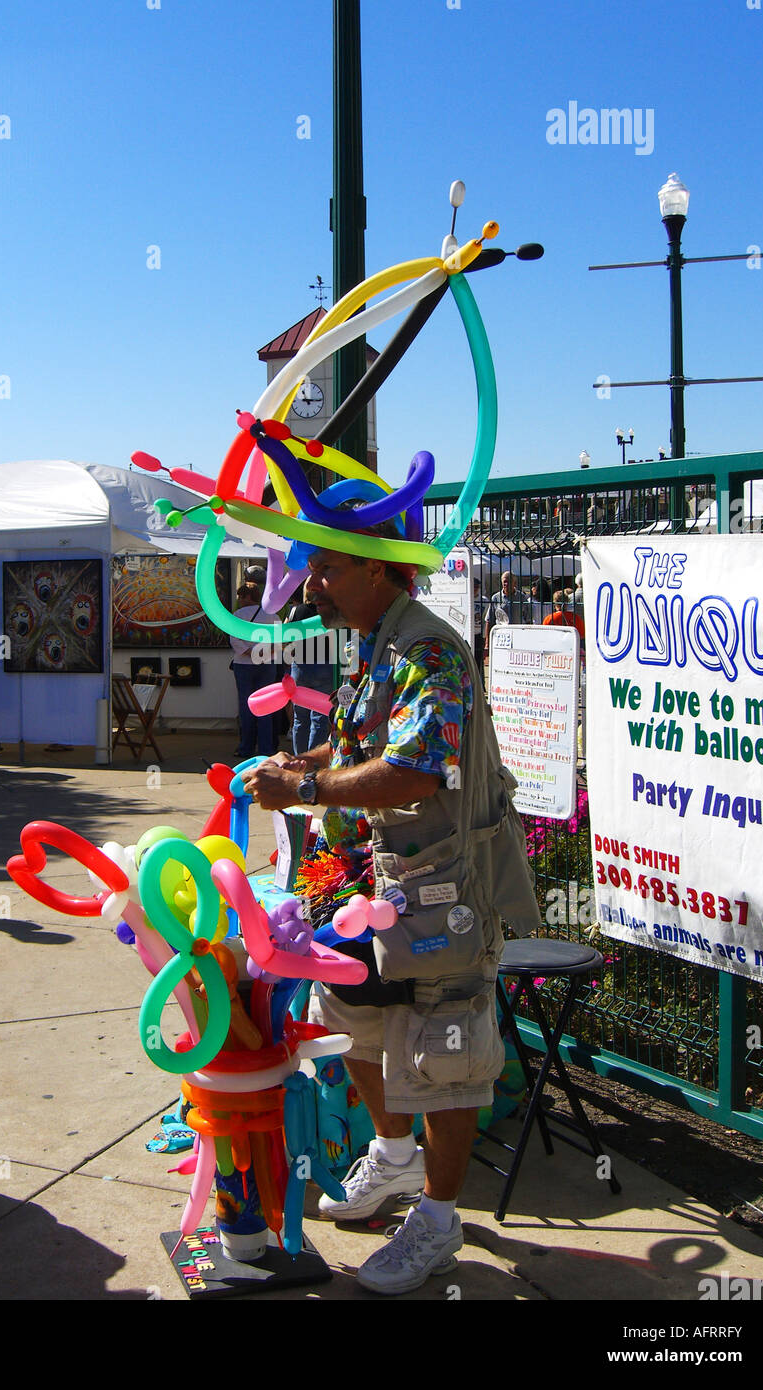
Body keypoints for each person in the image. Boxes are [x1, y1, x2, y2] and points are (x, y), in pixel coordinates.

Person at [243, 540, 539, 1295]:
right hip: (356, 892)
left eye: (329, 570)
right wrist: (302, 767)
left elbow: (416, 768)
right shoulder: (374, 644)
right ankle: (395, 1153)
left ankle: (439, 1221)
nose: (314, 585)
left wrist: (307, 795)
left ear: (379, 569)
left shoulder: (430, 653)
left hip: (433, 894)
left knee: (444, 1054)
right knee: (351, 1023)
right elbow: (365, 746)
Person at [229, 580, 277, 760]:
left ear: (247, 597)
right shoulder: (272, 614)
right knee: (266, 705)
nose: (240, 599)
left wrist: (249, 652)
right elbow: (279, 639)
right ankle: (266, 748)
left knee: (246, 706)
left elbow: (234, 638)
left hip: (244, 664)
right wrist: (265, 651)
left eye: (241, 596)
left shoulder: (238, 615)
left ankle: (246, 748)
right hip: (267, 663)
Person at [287, 599, 335, 755]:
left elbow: (285, 636)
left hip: (300, 666)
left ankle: (299, 758)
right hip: (324, 664)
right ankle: (312, 762)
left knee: (299, 718)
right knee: (319, 718)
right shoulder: (330, 610)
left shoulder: (296, 611)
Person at [483, 571, 531, 665]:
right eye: (504, 581)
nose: (506, 584)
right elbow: (489, 620)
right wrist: (487, 642)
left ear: (515, 583)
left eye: (509, 581)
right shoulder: (495, 598)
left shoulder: (522, 597)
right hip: (502, 638)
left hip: (518, 636)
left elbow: (528, 618)